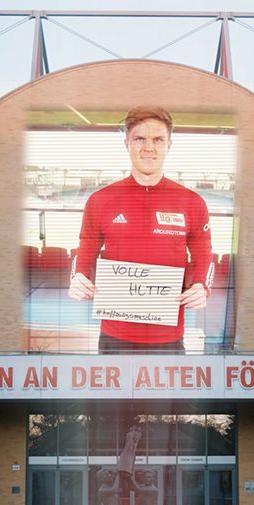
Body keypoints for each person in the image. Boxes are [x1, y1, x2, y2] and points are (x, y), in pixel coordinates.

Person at [68, 105, 214, 354]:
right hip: (114, 336)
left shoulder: (192, 202)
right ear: (127, 143)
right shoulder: (101, 200)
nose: (149, 147)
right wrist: (78, 278)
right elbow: (86, 249)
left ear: (169, 145)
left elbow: (203, 255)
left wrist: (201, 286)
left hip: (168, 338)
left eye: (158, 139)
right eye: (140, 139)